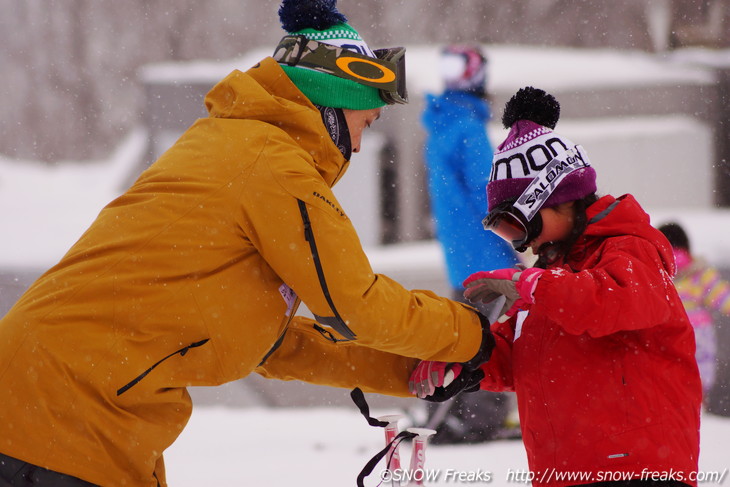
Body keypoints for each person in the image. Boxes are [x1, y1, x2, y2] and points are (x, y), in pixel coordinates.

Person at [0, 1, 494, 486]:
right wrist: (471, 334)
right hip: (69, 414)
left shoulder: (227, 145)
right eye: (364, 125)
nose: (360, 147)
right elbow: (355, 305)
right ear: (329, 103)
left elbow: (271, 345)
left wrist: (409, 370)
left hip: (43, 397)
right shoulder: (273, 165)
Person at [409, 87, 701, 486]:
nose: (518, 243)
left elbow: (609, 302)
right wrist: (466, 359)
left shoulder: (631, 250)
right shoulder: (552, 278)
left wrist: (531, 284)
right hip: (566, 473)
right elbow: (521, 356)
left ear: (557, 199)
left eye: (515, 225)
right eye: (502, 230)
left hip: (637, 469)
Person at [419, 45, 520, 444]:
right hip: (488, 255)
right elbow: (489, 194)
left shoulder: (440, 127)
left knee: (460, 338)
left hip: (460, 258)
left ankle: (444, 413)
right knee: (492, 339)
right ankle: (479, 420)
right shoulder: (469, 130)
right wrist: (520, 236)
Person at [658, 221, 730, 399]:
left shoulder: (655, 273)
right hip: (699, 337)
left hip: (666, 336)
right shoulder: (699, 272)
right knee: (697, 385)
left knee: (668, 387)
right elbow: (724, 300)